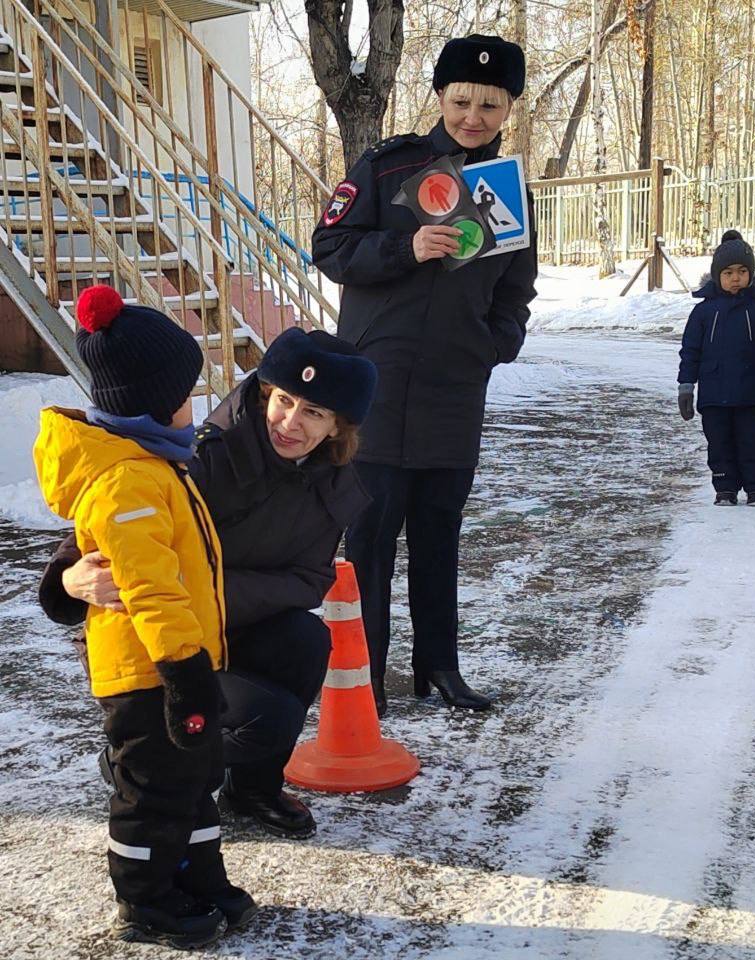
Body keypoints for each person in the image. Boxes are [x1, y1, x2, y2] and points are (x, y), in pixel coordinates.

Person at [41, 327, 376, 839]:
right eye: (284, 400)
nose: (289, 422)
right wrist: (68, 576)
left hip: (229, 623)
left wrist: (214, 597)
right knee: (269, 718)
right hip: (159, 640)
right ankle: (143, 766)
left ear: (336, 428)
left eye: (313, 412)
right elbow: (115, 509)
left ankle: (251, 790)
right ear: (267, 393)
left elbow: (310, 579)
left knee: (309, 641)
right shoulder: (202, 453)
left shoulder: (335, 483)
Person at [311, 34, 538, 714]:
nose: (474, 116)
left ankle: (440, 667)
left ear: (508, 110)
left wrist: (493, 344)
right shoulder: (386, 169)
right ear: (440, 96)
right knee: (370, 538)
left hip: (453, 391)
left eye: (490, 105)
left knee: (440, 535)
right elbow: (329, 245)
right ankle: (366, 676)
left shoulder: (508, 190)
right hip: (375, 388)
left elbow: (516, 289)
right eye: (463, 100)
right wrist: (403, 246)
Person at [32, 286, 253, 949]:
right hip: (148, 675)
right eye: (188, 389)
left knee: (195, 785)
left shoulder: (157, 463)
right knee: (153, 793)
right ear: (156, 401)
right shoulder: (130, 481)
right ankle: (146, 900)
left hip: (181, 662)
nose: (195, 401)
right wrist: (186, 674)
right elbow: (152, 590)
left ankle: (198, 873)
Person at [678, 230, 755, 506]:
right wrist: (686, 386)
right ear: (717, 275)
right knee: (719, 442)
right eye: (728, 273)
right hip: (714, 393)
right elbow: (690, 351)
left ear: (751, 273)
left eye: (741, 271)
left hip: (751, 391)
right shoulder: (703, 311)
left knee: (753, 441)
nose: (735, 278)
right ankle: (725, 487)